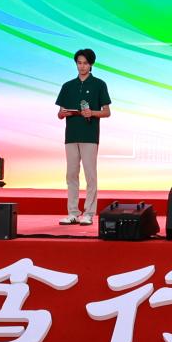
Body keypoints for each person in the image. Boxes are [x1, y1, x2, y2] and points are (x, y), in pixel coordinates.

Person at [54, 48, 112, 226]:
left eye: (85, 63)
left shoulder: (99, 84)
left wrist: (91, 112)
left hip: (89, 135)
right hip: (71, 135)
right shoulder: (68, 86)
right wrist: (62, 113)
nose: (82, 66)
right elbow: (59, 113)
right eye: (79, 63)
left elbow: (107, 112)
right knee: (71, 174)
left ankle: (89, 213)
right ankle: (73, 212)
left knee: (90, 175)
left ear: (91, 64)